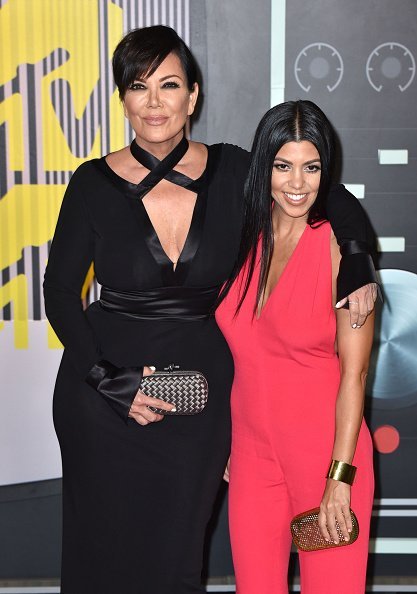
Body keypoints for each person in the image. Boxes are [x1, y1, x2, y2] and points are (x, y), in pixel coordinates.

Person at [44, 26, 377, 594]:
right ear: (121, 97)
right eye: (138, 86)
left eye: (169, 85)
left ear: (193, 96)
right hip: (100, 392)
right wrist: (104, 379)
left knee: (178, 558)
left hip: (197, 403)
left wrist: (354, 255)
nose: (154, 102)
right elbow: (59, 294)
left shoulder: (233, 172)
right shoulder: (90, 184)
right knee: (99, 551)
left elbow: (317, 187)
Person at [216, 100, 375, 594]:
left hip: (325, 457)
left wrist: (339, 478)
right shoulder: (246, 233)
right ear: (265, 167)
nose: (297, 184)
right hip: (249, 458)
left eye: (312, 167)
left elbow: (355, 375)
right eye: (283, 166)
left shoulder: (339, 250)